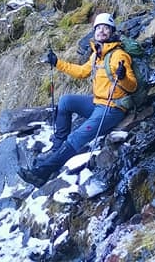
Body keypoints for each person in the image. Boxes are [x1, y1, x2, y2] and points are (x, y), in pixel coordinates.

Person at [17, 12, 137, 187]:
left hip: (112, 108)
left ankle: (42, 172)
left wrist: (123, 76)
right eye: (99, 28)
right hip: (97, 102)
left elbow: (132, 86)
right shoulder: (97, 54)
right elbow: (82, 72)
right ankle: (58, 148)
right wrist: (57, 62)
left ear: (112, 32)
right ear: (94, 31)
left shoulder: (119, 55)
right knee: (65, 101)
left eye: (106, 28)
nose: (102, 31)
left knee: (76, 137)